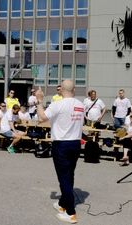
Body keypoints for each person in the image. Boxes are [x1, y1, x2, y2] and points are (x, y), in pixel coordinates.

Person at [35, 80, 84, 224]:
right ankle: (63, 203)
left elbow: (42, 117)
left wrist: (39, 101)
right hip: (75, 143)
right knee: (69, 174)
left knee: (64, 178)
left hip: (62, 144)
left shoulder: (57, 104)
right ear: (74, 90)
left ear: (61, 90)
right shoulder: (81, 105)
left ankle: (71, 213)